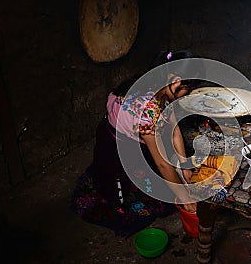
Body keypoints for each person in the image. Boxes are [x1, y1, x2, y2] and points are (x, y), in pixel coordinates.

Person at [71, 50, 203, 237]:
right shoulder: (146, 111)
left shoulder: (160, 82)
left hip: (133, 135)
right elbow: (162, 163)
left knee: (170, 181)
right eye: (186, 91)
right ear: (177, 81)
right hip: (115, 146)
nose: (185, 97)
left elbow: (173, 130)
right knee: (159, 199)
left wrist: (184, 166)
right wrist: (184, 197)